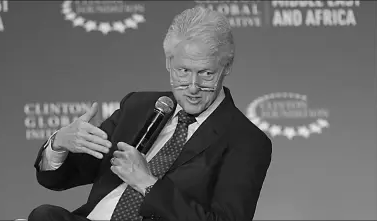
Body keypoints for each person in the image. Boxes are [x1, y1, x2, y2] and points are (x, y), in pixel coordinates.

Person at [28, 6, 272, 221]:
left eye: (206, 73)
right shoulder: (139, 106)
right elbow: (57, 180)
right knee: (44, 215)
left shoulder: (246, 141)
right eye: (183, 71)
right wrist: (59, 144)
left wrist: (148, 184)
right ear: (168, 62)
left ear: (226, 67)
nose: (193, 86)